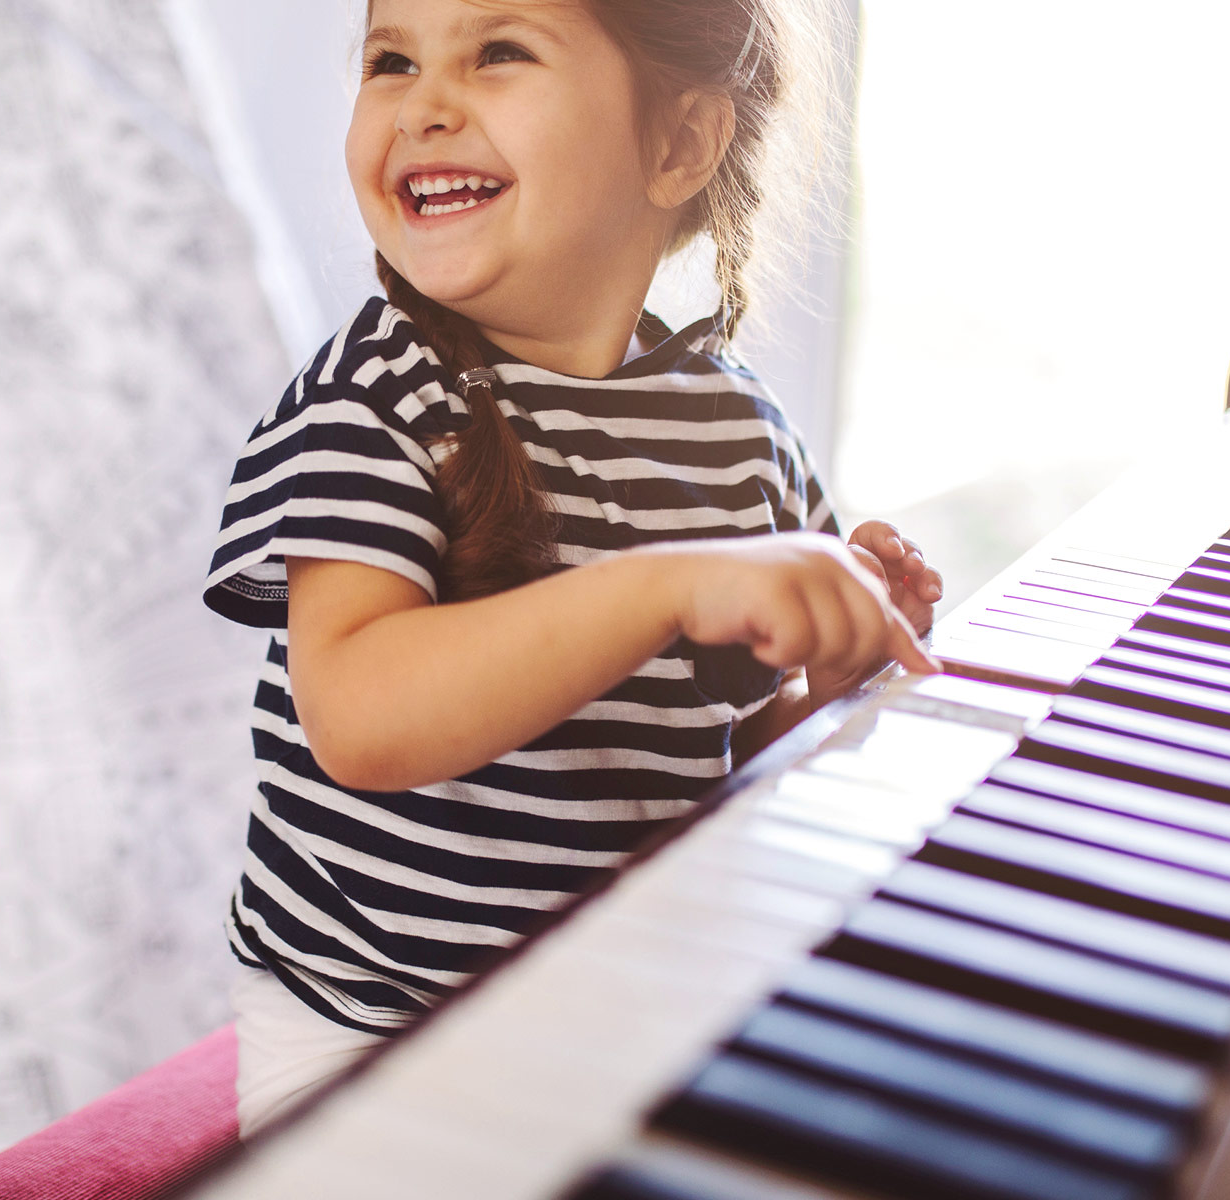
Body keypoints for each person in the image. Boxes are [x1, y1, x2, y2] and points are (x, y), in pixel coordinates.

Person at [202, 0, 944, 1139]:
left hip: (618, 1011)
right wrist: (664, 587)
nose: (426, 104)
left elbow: (703, 755)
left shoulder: (743, 440)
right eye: (392, 59)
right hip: (371, 1037)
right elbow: (360, 717)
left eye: (499, 51)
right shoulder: (376, 399)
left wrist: (829, 682)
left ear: (679, 144)